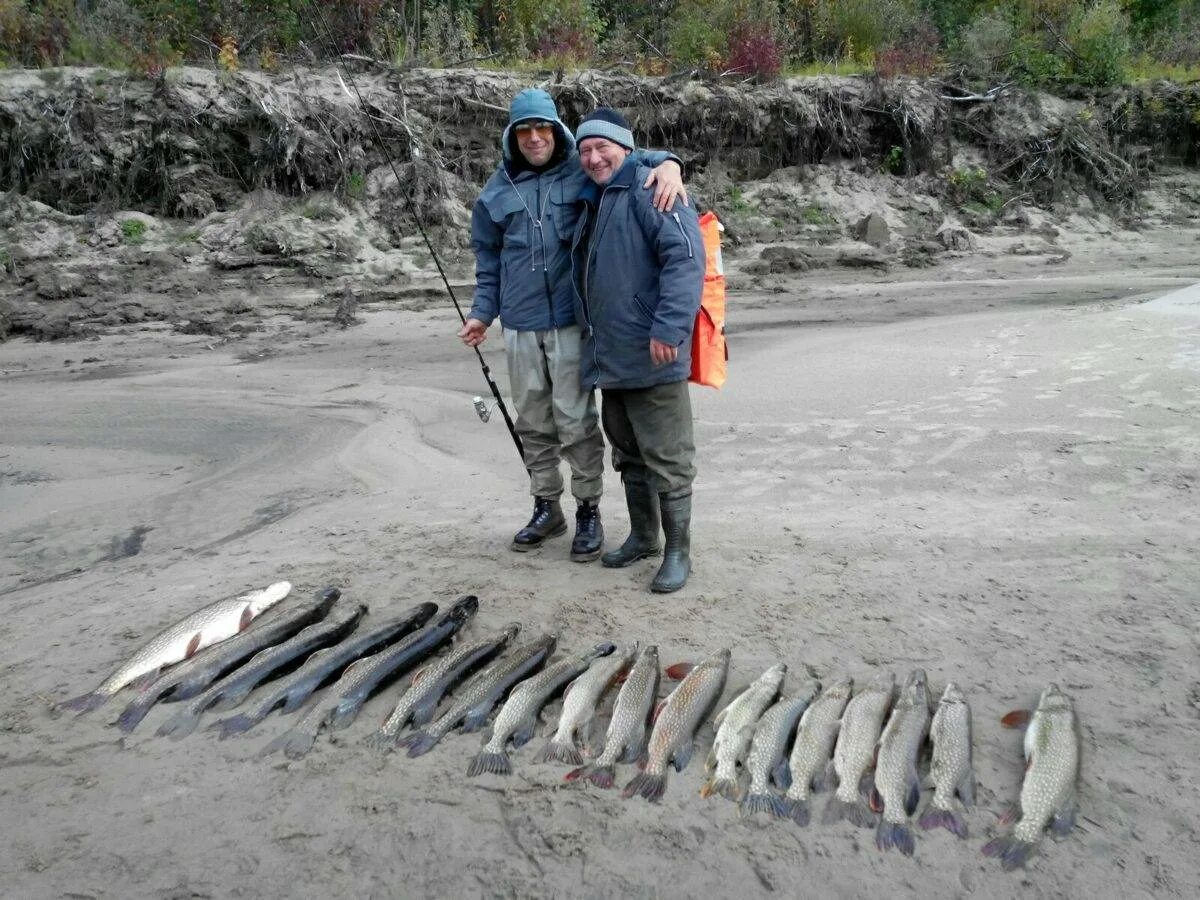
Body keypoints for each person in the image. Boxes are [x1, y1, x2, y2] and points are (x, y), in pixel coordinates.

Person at [459, 89, 688, 562]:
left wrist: (670, 163)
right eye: (524, 130)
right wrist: (484, 313)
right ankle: (547, 506)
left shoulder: (580, 170)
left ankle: (588, 510)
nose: (535, 137)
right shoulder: (494, 192)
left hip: (569, 324)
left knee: (576, 422)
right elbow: (488, 262)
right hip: (519, 326)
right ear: (512, 137)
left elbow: (623, 156)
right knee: (533, 423)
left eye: (543, 128)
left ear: (557, 132)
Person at [569, 108, 705, 593]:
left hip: (655, 353)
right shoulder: (597, 194)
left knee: (668, 457)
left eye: (602, 146)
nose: (593, 157)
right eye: (584, 149)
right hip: (611, 357)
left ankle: (677, 553)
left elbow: (686, 260)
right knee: (628, 454)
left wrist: (670, 328)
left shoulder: (653, 188)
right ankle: (644, 537)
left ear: (624, 146)